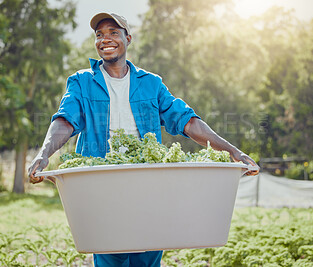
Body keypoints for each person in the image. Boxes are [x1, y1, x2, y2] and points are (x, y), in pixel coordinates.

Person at [28, 12, 259, 267]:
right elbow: (64, 120)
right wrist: (44, 152)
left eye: (113, 33)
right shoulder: (82, 82)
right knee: (109, 250)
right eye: (99, 35)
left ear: (128, 38)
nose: (105, 39)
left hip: (147, 186)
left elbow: (187, 121)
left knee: (148, 253)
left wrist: (232, 150)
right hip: (103, 186)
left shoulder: (151, 84)